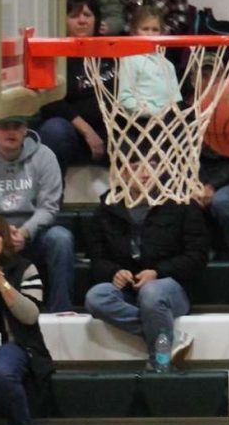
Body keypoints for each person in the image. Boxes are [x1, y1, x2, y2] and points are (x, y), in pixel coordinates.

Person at [84, 156, 208, 365]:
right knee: (96, 297)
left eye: (151, 165)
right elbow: (97, 258)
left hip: (171, 288)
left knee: (152, 293)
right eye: (135, 166)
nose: (144, 172)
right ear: (122, 173)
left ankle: (160, 360)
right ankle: (169, 337)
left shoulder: (181, 204)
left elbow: (197, 257)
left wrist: (158, 272)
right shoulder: (105, 210)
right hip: (129, 290)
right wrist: (114, 272)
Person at [0, 117, 75, 313]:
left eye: (16, 126)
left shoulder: (45, 156)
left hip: (32, 235)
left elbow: (49, 207)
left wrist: (25, 232)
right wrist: (0, 232)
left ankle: (61, 312)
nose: (11, 132)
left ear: (25, 130)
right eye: (5, 127)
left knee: (61, 238)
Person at [0, 214, 53, 425]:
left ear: (5, 240)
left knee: (2, 374)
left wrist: (2, 284)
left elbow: (30, 315)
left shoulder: (25, 269)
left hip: (14, 344)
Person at [37, 0, 114, 176]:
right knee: (54, 130)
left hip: (111, 130)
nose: (82, 21)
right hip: (73, 132)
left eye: (87, 15)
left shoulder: (112, 50)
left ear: (96, 20)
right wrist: (87, 131)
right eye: (74, 16)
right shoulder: (56, 54)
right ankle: (52, 199)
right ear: (63, 21)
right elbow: (50, 102)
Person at [118, 6, 182, 115]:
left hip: (167, 120)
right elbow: (125, 98)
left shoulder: (168, 64)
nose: (150, 33)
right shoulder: (130, 59)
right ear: (134, 32)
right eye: (145, 29)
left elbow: (176, 98)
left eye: (155, 30)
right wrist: (152, 113)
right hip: (140, 121)